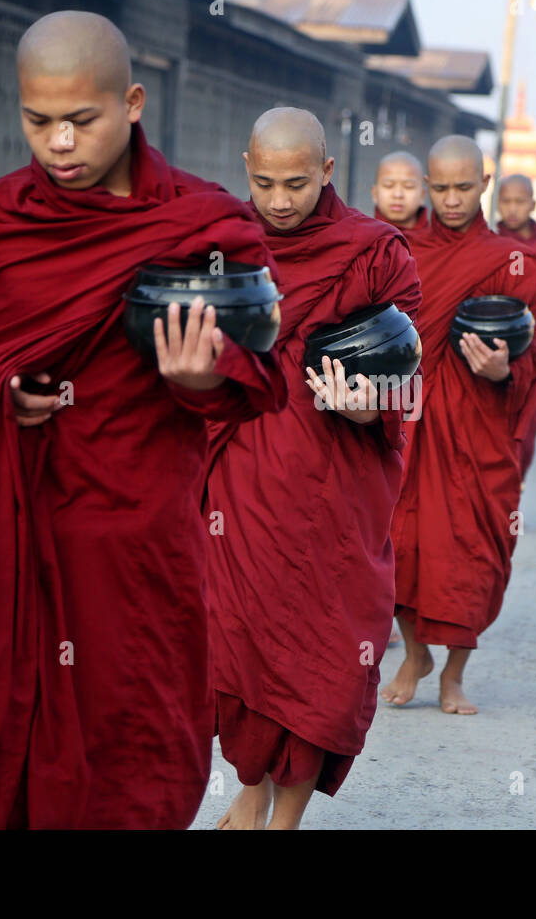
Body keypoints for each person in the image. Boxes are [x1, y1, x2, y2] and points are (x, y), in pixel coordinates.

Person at [0, 11, 286, 829]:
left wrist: (201, 377)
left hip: (136, 534)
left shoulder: (202, 223)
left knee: (137, 737)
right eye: (37, 121)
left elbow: (268, 376)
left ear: (131, 103)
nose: (57, 144)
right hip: (16, 528)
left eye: (80, 121)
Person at [205, 108, 422, 830]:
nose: (280, 200)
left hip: (337, 482)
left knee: (326, 649)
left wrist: (371, 407)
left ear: (328, 172)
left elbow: (408, 376)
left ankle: (287, 812)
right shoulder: (224, 245)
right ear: (246, 169)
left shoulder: (373, 253)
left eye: (297, 183)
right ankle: (253, 784)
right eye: (265, 183)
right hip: (243, 470)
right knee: (237, 634)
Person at [383, 135, 536, 716]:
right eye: (441, 188)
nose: (452, 200)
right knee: (396, 540)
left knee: (475, 546)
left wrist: (506, 370)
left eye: (463, 187)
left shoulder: (510, 259)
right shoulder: (401, 248)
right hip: (411, 416)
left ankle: (454, 673)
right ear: (429, 187)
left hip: (478, 424)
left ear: (485, 184)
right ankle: (414, 652)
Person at [495, 173, 536, 476]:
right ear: (497, 204)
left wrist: (532, 324)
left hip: (534, 349)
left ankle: (513, 493)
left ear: (533, 204)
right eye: (506, 201)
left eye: (520, 202)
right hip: (489, 347)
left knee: (526, 427)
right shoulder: (487, 243)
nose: (513, 209)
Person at [371, 150, 429, 239]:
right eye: (388, 185)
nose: (398, 194)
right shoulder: (363, 239)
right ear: (375, 193)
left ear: (422, 195)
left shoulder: (440, 241)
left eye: (408, 186)